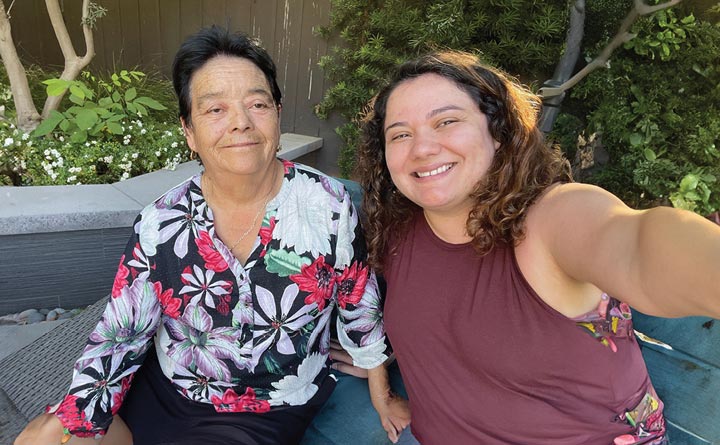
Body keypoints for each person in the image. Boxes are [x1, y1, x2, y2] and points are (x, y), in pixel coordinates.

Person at [15, 26, 408, 445]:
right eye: (215, 110)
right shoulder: (162, 223)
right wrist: (78, 414)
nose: (240, 123)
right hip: (170, 386)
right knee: (45, 436)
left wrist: (381, 389)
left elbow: (357, 298)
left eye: (257, 104)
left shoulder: (327, 206)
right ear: (189, 131)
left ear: (277, 112)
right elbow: (122, 333)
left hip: (263, 405)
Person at [356, 50, 720, 444]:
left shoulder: (551, 218)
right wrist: (380, 361)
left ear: (498, 132)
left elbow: (638, 245)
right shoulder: (397, 229)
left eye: (447, 121)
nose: (422, 148)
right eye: (400, 134)